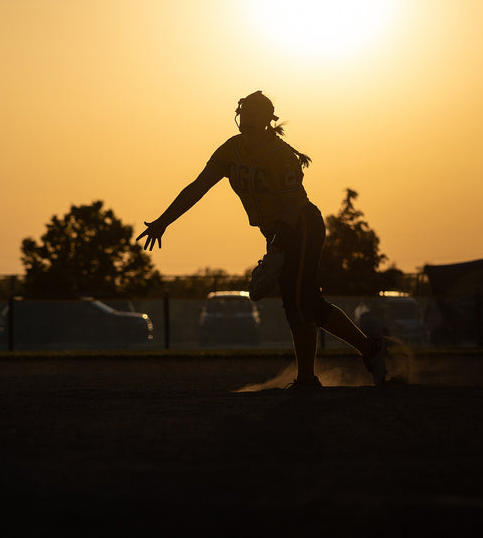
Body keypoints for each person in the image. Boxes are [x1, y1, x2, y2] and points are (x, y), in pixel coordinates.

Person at [136, 91, 387, 388]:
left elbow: (293, 208)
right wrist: (163, 222)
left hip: (301, 226)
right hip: (278, 231)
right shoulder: (232, 150)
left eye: (253, 112)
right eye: (244, 111)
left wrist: (278, 246)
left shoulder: (279, 155)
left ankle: (307, 379)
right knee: (309, 303)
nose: (246, 116)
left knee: (296, 302)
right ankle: (372, 350)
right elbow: (197, 187)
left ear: (267, 119)